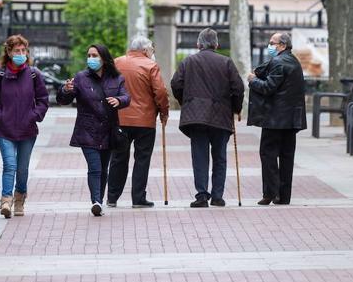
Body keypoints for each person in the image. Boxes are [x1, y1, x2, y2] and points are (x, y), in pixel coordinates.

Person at [170, 28, 244, 208]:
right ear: (216, 44)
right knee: (220, 157)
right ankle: (217, 196)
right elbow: (238, 88)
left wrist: (186, 102)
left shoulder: (188, 61)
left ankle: (202, 195)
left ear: (198, 44)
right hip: (221, 115)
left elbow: (175, 84)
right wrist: (236, 108)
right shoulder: (226, 62)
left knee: (200, 156)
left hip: (196, 117)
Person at [57, 43, 130, 217]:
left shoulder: (116, 78)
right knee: (95, 168)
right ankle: (96, 201)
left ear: (104, 59)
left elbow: (127, 97)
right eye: (89, 55)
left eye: (95, 55)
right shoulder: (81, 78)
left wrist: (119, 100)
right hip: (87, 130)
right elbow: (64, 100)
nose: (91, 59)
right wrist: (65, 90)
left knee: (104, 169)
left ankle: (100, 200)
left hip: (109, 130)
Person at [0, 34, 50, 219]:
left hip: (27, 129)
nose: (20, 53)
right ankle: (6, 200)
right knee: (9, 165)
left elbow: (43, 99)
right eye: (16, 50)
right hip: (4, 129)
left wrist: (34, 115)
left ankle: (20, 198)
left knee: (22, 168)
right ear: (9, 52)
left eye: (23, 50)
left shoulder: (34, 74)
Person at [107, 36, 169, 208]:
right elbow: (161, 92)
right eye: (151, 50)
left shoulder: (116, 63)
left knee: (118, 158)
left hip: (119, 118)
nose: (152, 53)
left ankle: (112, 197)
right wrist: (164, 111)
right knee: (142, 159)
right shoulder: (150, 65)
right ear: (145, 50)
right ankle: (138, 198)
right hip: (145, 120)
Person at [247, 32, 306, 205]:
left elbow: (268, 87)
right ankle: (283, 196)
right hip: (291, 120)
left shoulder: (279, 62)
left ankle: (270, 193)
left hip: (275, 120)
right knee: (287, 157)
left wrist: (252, 80)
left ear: (282, 45)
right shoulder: (294, 61)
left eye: (272, 43)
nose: (269, 46)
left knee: (268, 155)